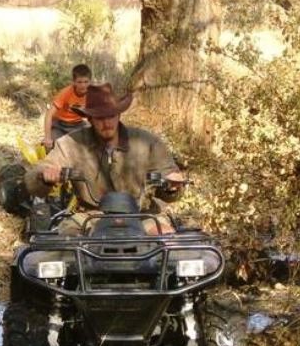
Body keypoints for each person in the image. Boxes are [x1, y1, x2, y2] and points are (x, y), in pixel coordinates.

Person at [25, 83, 186, 235]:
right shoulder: (72, 143)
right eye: (100, 118)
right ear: (89, 119)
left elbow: (170, 184)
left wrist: (172, 186)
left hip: (143, 215)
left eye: (111, 116)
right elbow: (35, 175)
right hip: (90, 217)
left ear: (119, 114)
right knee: (66, 245)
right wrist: (45, 177)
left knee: (166, 240)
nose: (107, 123)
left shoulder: (148, 142)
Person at [43, 63, 92, 151]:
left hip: (78, 124)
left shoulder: (92, 94)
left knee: (91, 145)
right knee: (50, 148)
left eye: (86, 82)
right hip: (60, 124)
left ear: (90, 81)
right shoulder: (66, 93)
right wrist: (47, 137)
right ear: (73, 82)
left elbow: (94, 115)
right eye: (79, 82)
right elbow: (49, 114)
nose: (83, 85)